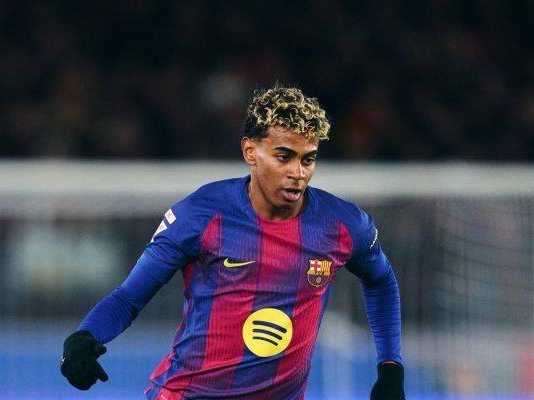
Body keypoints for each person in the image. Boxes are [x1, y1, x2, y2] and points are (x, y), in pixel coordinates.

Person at [60, 84, 405, 399]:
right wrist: (85, 337)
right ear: (250, 151)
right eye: (284, 156)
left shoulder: (344, 225)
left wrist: (390, 367)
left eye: (308, 159)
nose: (298, 172)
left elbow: (381, 280)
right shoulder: (200, 215)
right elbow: (129, 297)